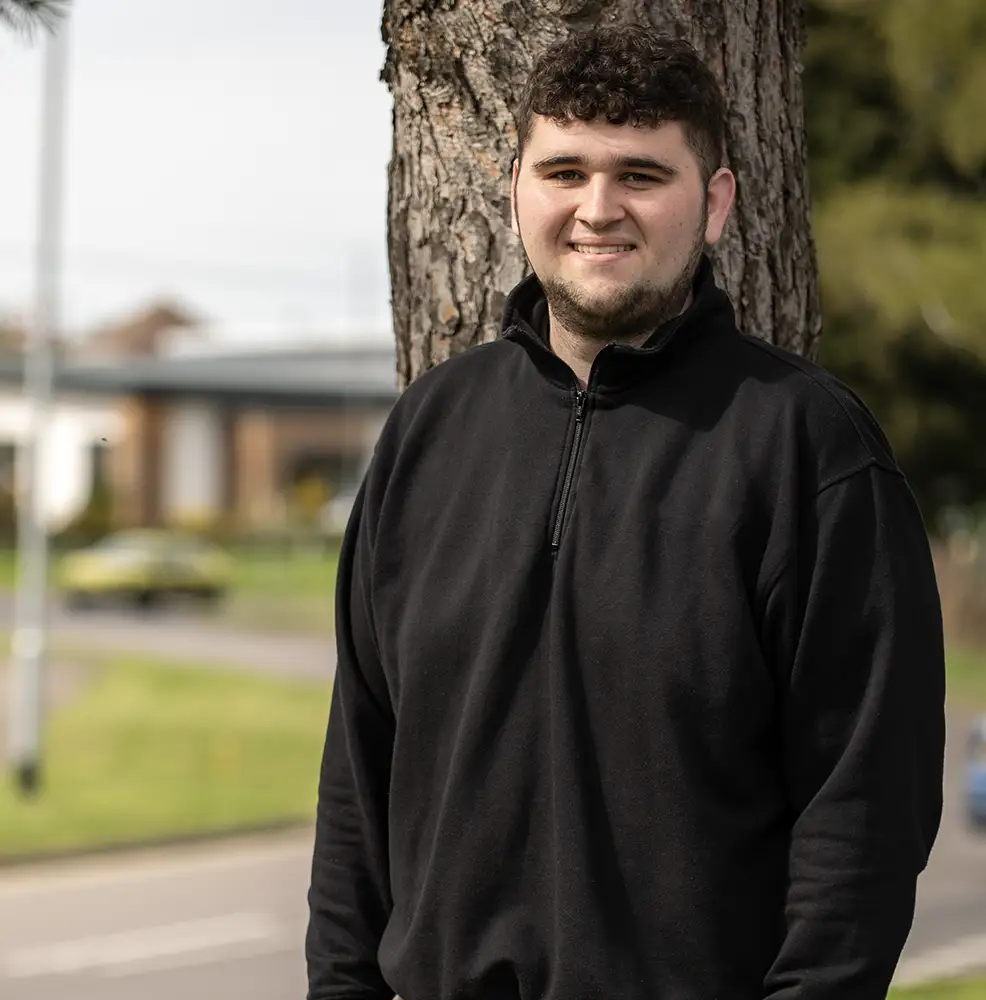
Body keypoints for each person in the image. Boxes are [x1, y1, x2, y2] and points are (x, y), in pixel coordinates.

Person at [306, 25, 945, 1000]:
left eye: (639, 175)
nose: (595, 209)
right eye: (563, 170)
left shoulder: (803, 444)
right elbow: (360, 766)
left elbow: (862, 803)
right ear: (516, 186)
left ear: (715, 202)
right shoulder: (427, 433)